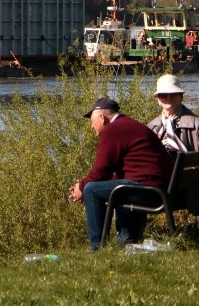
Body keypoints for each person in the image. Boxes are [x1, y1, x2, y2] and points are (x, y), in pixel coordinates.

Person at [69, 97, 173, 250]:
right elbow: (112, 172)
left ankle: (97, 249)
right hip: (162, 189)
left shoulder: (113, 130)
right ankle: (127, 240)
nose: (91, 126)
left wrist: (82, 187)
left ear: (102, 118)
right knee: (118, 184)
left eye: (92, 121)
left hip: (149, 191)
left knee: (91, 190)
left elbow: (100, 171)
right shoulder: (130, 125)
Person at [146, 74, 199, 217]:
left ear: (180, 97)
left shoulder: (196, 122)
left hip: (185, 186)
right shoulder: (152, 126)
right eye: (164, 95)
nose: (168, 99)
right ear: (158, 100)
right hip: (160, 184)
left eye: (173, 95)